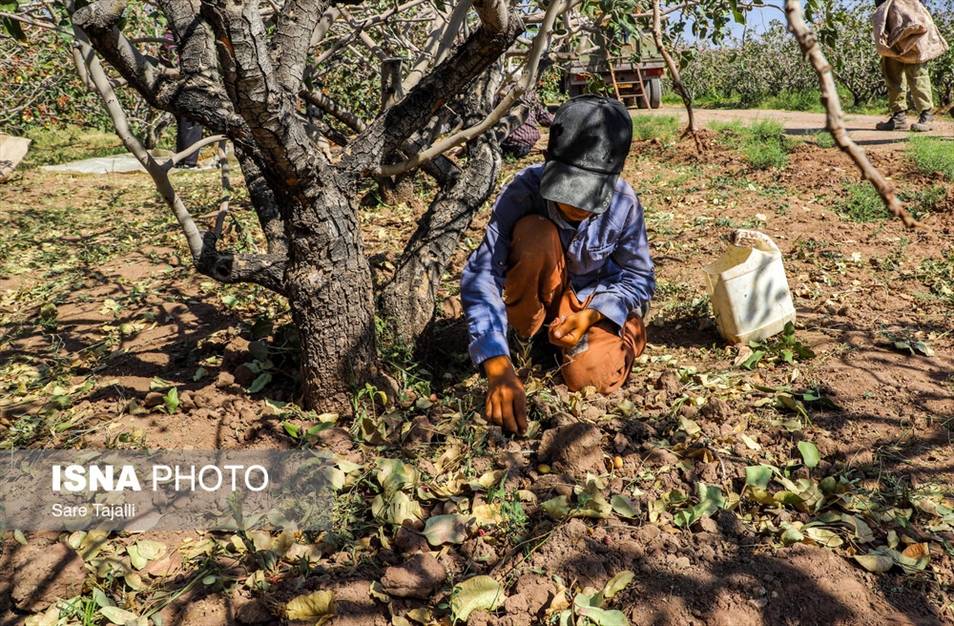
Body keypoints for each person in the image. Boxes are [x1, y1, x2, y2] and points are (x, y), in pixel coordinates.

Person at [461, 95, 655, 435]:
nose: (576, 205)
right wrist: (496, 363)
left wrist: (593, 315)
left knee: (592, 378)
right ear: (548, 161)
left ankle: (628, 331)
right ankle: (527, 339)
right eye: (567, 190)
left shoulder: (624, 203)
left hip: (592, 306)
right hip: (545, 301)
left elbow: (639, 278)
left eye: (589, 194)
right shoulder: (522, 192)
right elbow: (482, 275)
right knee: (534, 234)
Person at [873, 0, 938, 132]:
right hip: (889, 18)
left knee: (916, 69)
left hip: (912, 16)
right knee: (891, 69)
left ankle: (927, 115)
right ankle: (898, 117)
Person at [500, 88, 554, 159]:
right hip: (527, 145)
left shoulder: (499, 92)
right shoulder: (531, 93)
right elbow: (545, 118)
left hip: (507, 145)